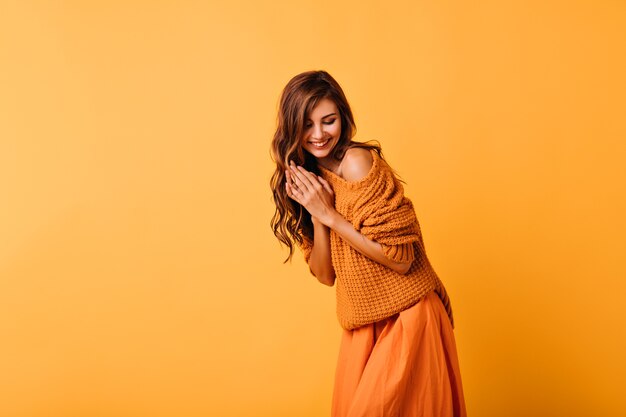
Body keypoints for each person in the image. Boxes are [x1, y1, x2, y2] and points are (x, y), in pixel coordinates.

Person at [269, 70, 467, 417]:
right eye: (307, 125)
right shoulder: (304, 181)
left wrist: (330, 216)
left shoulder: (358, 163)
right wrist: (316, 215)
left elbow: (401, 258)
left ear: (342, 119)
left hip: (407, 317)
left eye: (328, 121)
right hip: (362, 327)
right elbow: (325, 275)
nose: (319, 134)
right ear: (292, 128)